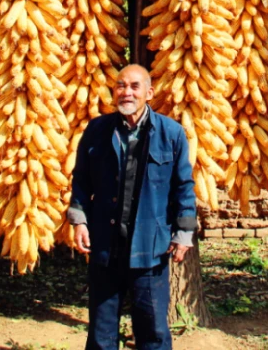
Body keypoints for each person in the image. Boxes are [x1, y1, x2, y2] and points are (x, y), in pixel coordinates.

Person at [67, 64, 196, 350]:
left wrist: (183, 233)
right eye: (121, 86)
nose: (127, 92)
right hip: (105, 246)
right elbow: (81, 180)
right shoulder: (97, 130)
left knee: (152, 332)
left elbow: (184, 186)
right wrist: (79, 220)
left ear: (149, 93)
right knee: (101, 335)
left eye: (134, 86)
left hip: (149, 248)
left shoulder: (171, 134)